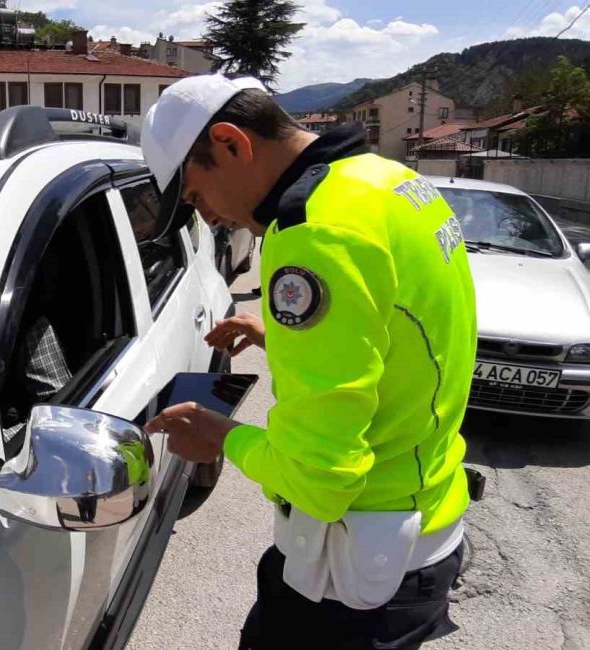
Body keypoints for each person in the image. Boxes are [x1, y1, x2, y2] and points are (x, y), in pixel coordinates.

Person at [140, 74, 477, 649]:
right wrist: (282, 336)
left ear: (230, 143)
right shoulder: (386, 181)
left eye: (196, 197)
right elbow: (397, 330)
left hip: (353, 579)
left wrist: (221, 438)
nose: (209, 220)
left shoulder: (311, 234)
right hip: (422, 525)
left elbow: (321, 482)